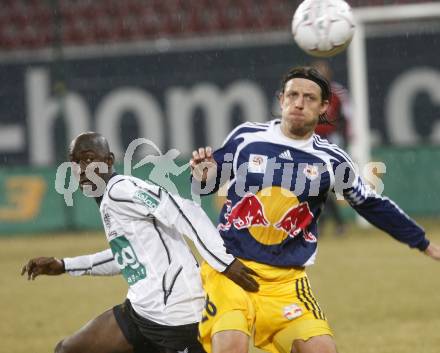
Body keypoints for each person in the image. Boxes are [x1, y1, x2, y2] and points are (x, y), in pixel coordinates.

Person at [189, 66, 440, 353]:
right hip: (230, 269)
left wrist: (422, 242)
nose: (299, 102)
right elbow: (205, 185)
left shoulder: (331, 160)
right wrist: (201, 175)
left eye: (309, 98)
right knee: (231, 344)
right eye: (293, 95)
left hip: (286, 281)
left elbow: (371, 204)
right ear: (281, 99)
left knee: (322, 349)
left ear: (323, 107)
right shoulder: (247, 138)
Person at [21, 132, 259, 353]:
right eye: (74, 162)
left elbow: (186, 210)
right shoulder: (109, 199)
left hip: (175, 317)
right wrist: (64, 265)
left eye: (88, 159)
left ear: (109, 160)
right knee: (67, 349)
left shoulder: (120, 190)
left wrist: (224, 261)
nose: (81, 169)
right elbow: (128, 256)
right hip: (143, 311)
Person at [311, 60, 352, 236]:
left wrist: (345, 140)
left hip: (329, 142)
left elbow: (347, 117)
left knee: (321, 185)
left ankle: (328, 223)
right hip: (311, 142)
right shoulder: (307, 93)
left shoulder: (337, 93)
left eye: (323, 73)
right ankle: (333, 224)